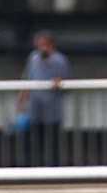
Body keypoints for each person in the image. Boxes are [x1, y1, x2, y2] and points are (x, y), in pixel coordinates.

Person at [18, 33, 70, 164]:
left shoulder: (60, 61)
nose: (41, 48)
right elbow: (27, 78)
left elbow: (67, 83)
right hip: (35, 108)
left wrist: (59, 82)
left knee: (53, 141)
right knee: (32, 141)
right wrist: (22, 99)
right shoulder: (33, 58)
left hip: (52, 109)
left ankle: (54, 168)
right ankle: (31, 167)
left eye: (43, 45)